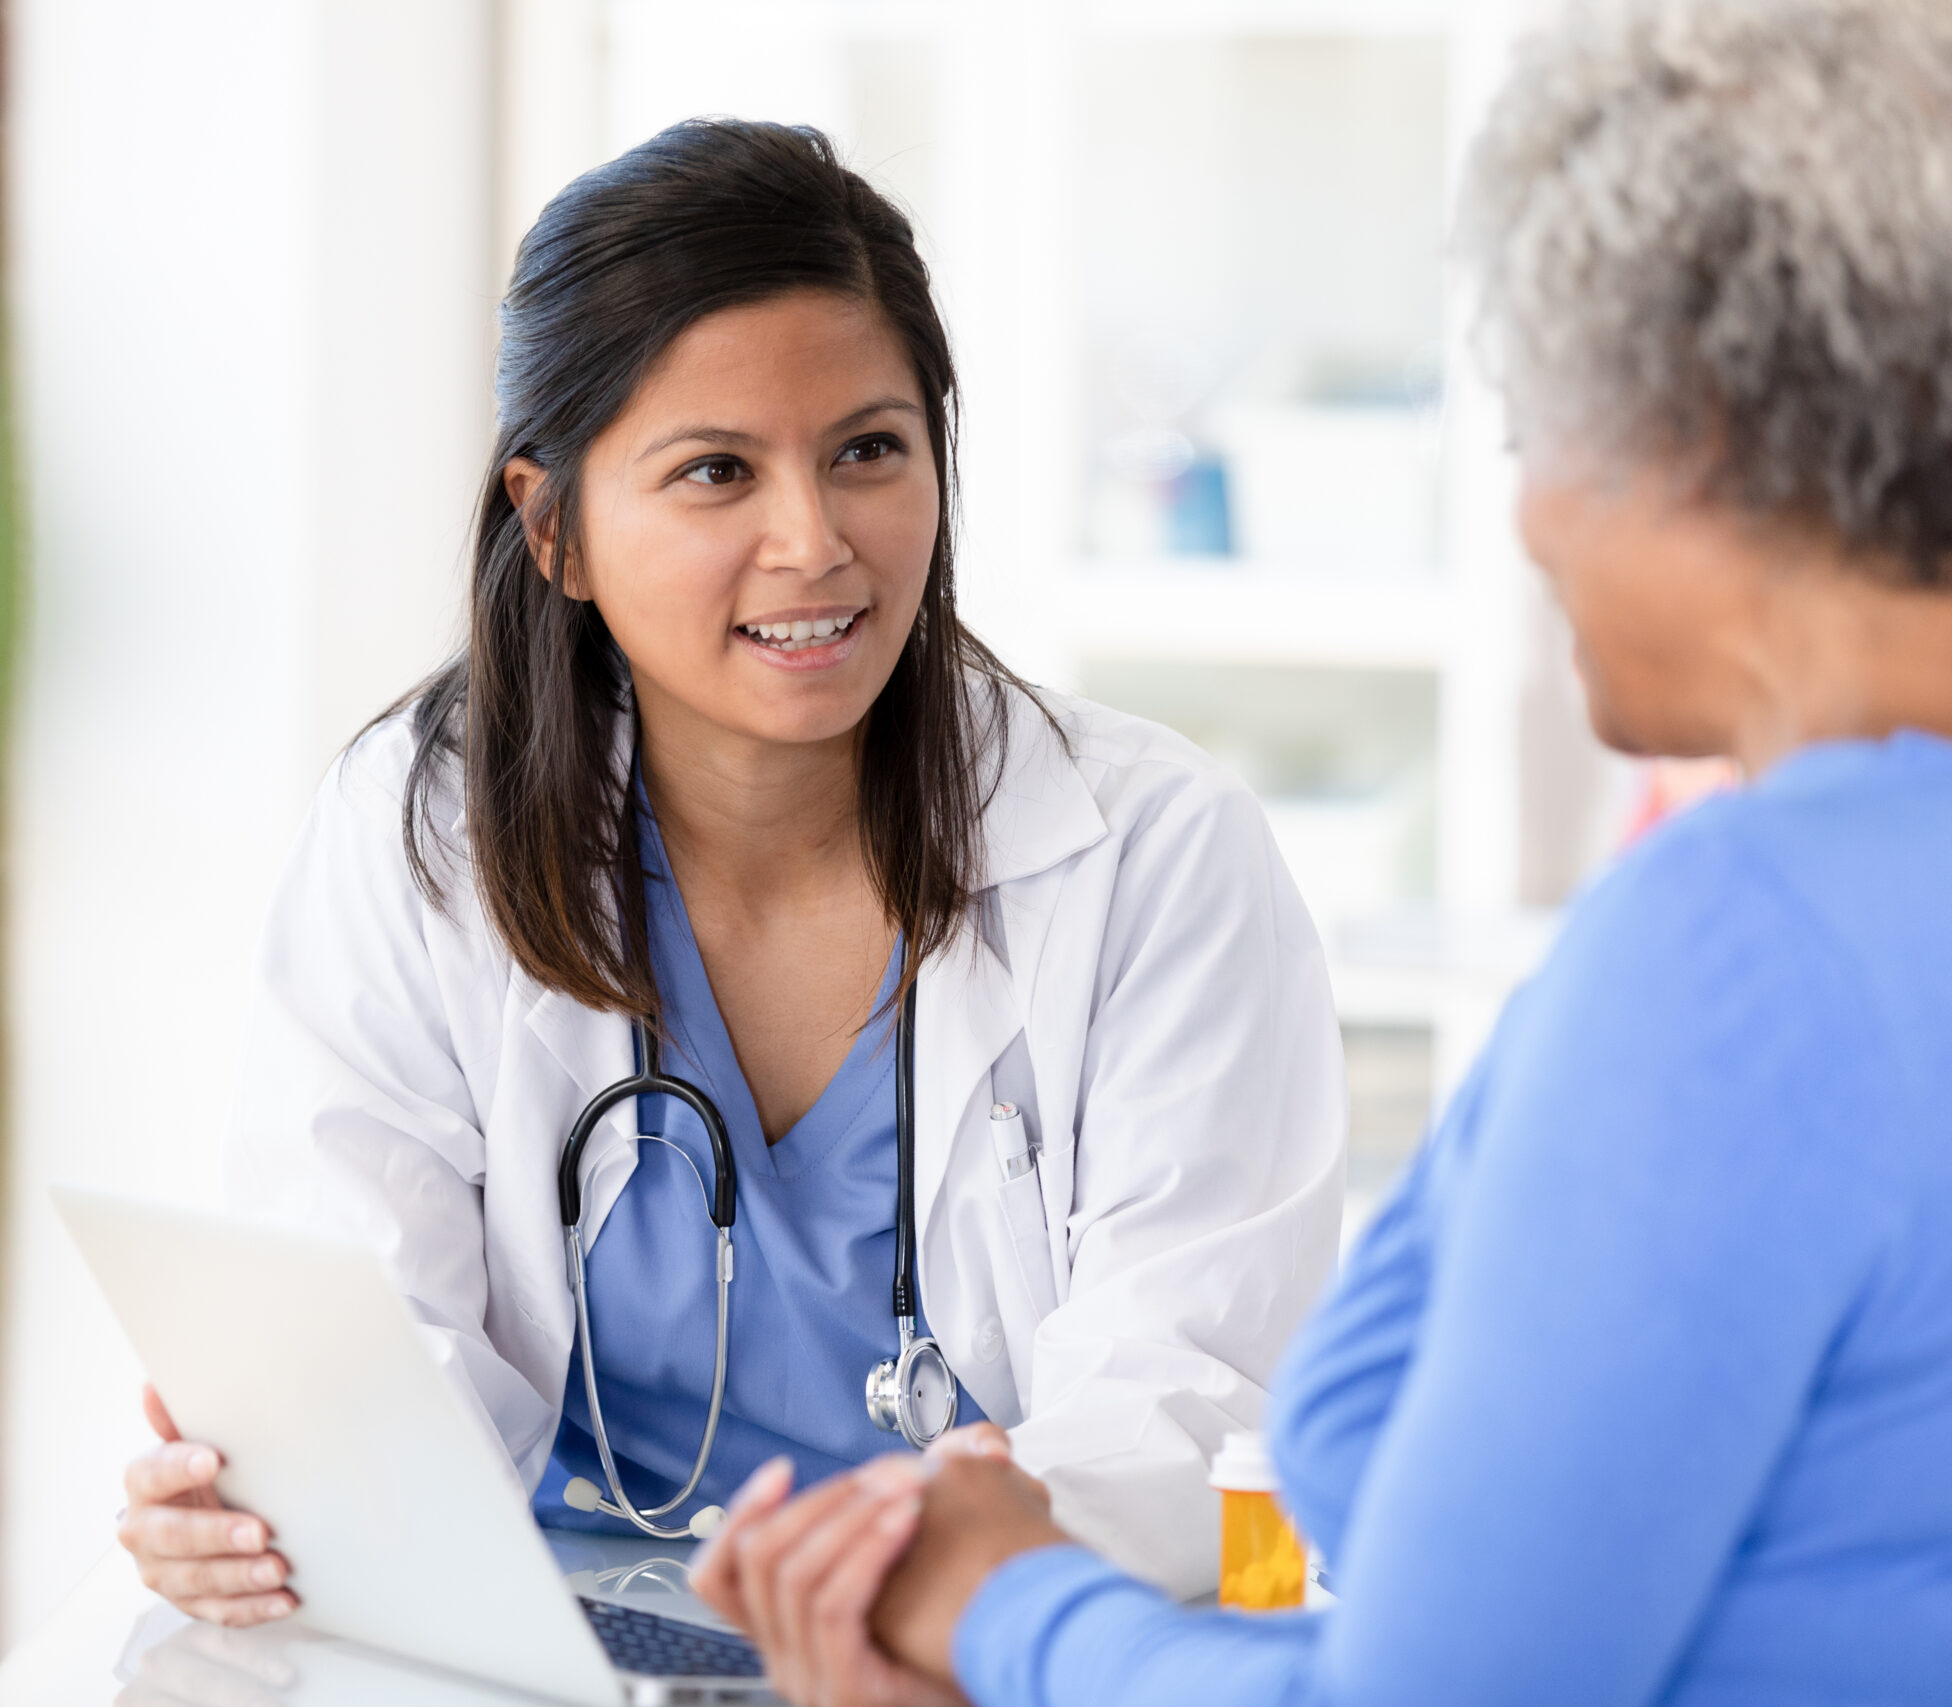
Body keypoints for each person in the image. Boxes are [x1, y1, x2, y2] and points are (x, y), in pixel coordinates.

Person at [690, 3, 1952, 1703]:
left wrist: (1007, 1604)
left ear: (1695, 428)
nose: (1525, 523)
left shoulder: (1741, 956)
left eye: (1526, 437)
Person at [116, 119, 1345, 1626]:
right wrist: (264, 1510)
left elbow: (1190, 1397)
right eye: (716, 472)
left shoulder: (1156, 853)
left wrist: (897, 1594)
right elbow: (358, 1353)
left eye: (869, 452)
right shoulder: (419, 835)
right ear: (553, 526)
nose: (813, 541)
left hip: (984, 1646)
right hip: (536, 1656)